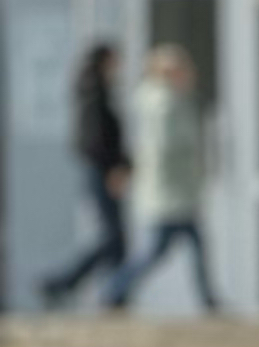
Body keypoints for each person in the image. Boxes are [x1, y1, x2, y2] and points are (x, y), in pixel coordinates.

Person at [102, 41, 213, 315]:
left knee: (189, 247)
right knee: (156, 252)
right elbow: (167, 147)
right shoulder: (164, 103)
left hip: (178, 190)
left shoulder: (174, 100)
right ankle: (114, 290)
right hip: (169, 191)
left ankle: (209, 299)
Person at [32, 44, 128, 307]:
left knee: (116, 238)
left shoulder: (95, 92)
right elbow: (96, 141)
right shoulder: (95, 95)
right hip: (102, 171)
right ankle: (63, 283)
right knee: (112, 237)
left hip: (102, 170)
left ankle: (115, 294)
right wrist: (114, 168)